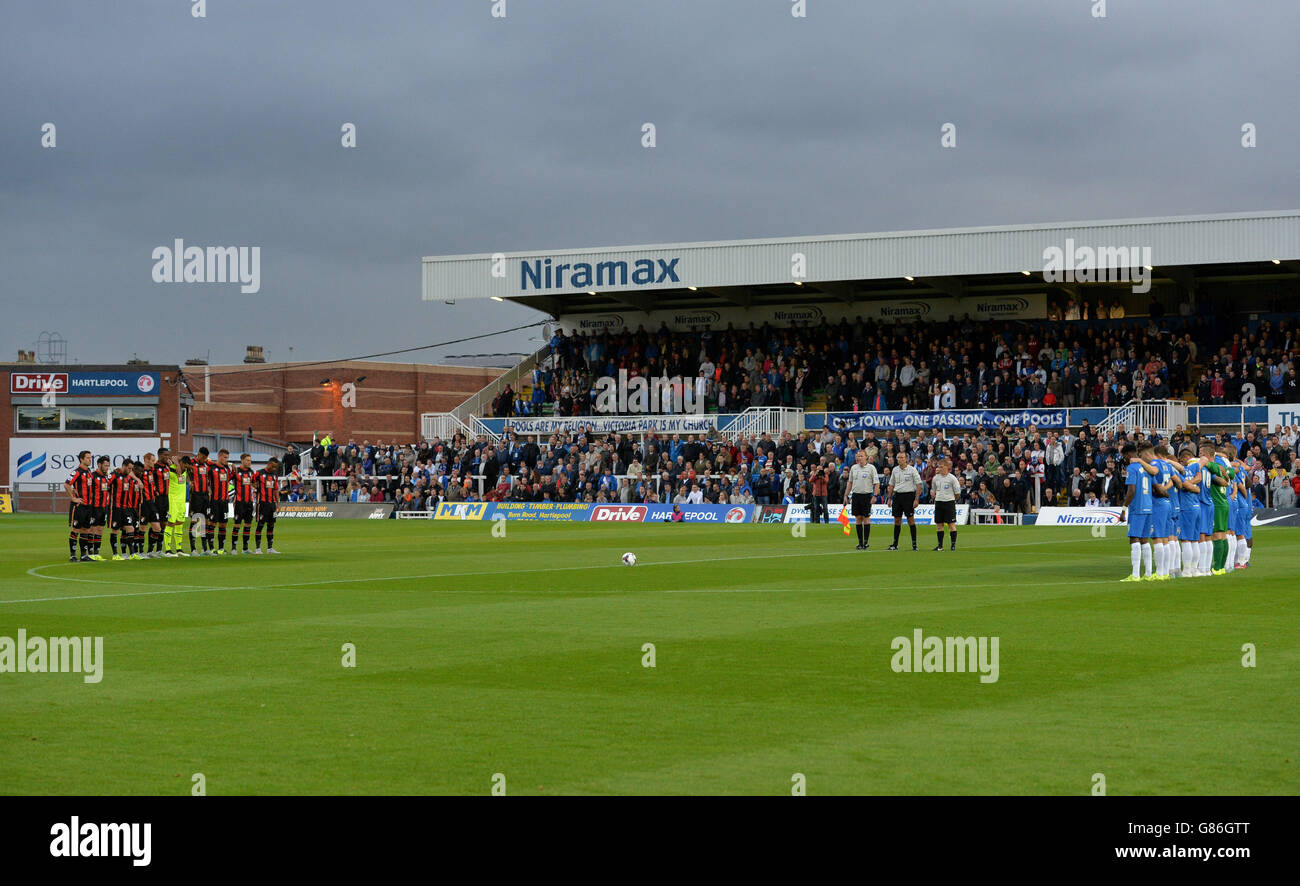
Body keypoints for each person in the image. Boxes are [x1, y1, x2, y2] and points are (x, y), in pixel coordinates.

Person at [1120, 443, 1158, 582]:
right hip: (1149, 507)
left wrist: (1124, 509)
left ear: (1128, 454)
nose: (1123, 458)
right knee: (1144, 539)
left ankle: (1135, 575)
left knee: (1134, 538)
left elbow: (1131, 491)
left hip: (1137, 508)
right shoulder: (1146, 468)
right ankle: (1148, 573)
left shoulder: (1132, 468)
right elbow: (1155, 487)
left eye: (1124, 456)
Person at [1176, 447, 1203, 578]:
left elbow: (1183, 485)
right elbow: (1199, 479)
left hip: (1186, 508)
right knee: (1195, 540)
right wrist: (1194, 486)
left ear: (1182, 459)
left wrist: (1187, 484)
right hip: (1197, 506)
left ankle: (1187, 570)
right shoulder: (1194, 469)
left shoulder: (1180, 472)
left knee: (1186, 540)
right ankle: (1195, 569)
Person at [843, 449, 879, 550]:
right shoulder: (854, 468)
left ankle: (866, 542)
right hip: (856, 495)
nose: (859, 458)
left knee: (866, 518)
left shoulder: (871, 468)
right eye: (858, 456)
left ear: (866, 457)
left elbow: (876, 483)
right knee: (858, 518)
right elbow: (850, 482)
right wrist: (846, 495)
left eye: (861, 456)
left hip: (866, 495)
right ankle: (860, 542)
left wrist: (875, 495)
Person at [887, 450, 923, 551]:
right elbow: (891, 484)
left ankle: (914, 544)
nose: (900, 459)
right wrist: (889, 498)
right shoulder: (895, 470)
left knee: (910, 519)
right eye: (898, 458)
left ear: (906, 459)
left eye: (902, 458)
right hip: (897, 496)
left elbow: (918, 484)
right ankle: (895, 544)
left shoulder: (912, 470)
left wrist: (916, 499)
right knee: (897, 520)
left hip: (908, 496)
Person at [930, 457, 961, 551]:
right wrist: (933, 494)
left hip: (949, 503)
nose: (939, 468)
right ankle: (940, 546)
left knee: (951, 524)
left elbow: (957, 493)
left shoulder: (952, 478)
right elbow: (934, 490)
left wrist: (951, 499)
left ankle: (953, 545)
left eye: (942, 467)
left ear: (947, 467)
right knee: (939, 525)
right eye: (938, 467)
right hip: (939, 502)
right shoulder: (935, 478)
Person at [188, 447, 214, 555]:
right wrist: (190, 481)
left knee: (205, 521)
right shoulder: (191, 462)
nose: (204, 459)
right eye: (203, 457)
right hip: (195, 495)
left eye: (206, 458)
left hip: (205, 496)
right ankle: (193, 549)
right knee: (195, 520)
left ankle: (205, 549)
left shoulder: (207, 464)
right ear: (198, 454)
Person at [208, 449, 234, 554]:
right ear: (219, 456)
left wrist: (232, 465)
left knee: (223, 525)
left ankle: (221, 548)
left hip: (224, 502)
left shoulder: (227, 469)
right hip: (214, 501)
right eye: (225, 457)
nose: (226, 460)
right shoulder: (212, 468)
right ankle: (211, 548)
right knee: (212, 524)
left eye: (227, 458)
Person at [253, 457, 282, 554]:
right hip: (262, 503)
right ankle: (258, 549)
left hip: (272, 504)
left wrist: (278, 504)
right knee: (260, 525)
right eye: (273, 466)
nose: (274, 469)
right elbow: (251, 482)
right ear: (269, 464)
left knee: (271, 525)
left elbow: (275, 490)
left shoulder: (274, 475)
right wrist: (254, 487)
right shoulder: (259, 473)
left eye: (276, 467)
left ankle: (270, 549)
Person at [232, 453, 258, 554]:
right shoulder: (236, 471)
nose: (249, 462)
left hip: (249, 502)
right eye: (247, 460)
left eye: (250, 461)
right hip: (239, 502)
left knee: (248, 525)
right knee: (237, 525)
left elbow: (255, 484)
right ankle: (234, 548)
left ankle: (245, 548)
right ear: (242, 460)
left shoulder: (251, 472)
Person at [166, 456, 190, 556]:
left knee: (180, 523)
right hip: (173, 500)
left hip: (181, 501)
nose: (186, 467)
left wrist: (178, 461)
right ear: (182, 463)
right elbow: (179, 472)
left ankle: (179, 549)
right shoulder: (172, 467)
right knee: (171, 523)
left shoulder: (185, 469)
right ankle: (168, 550)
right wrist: (176, 462)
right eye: (185, 465)